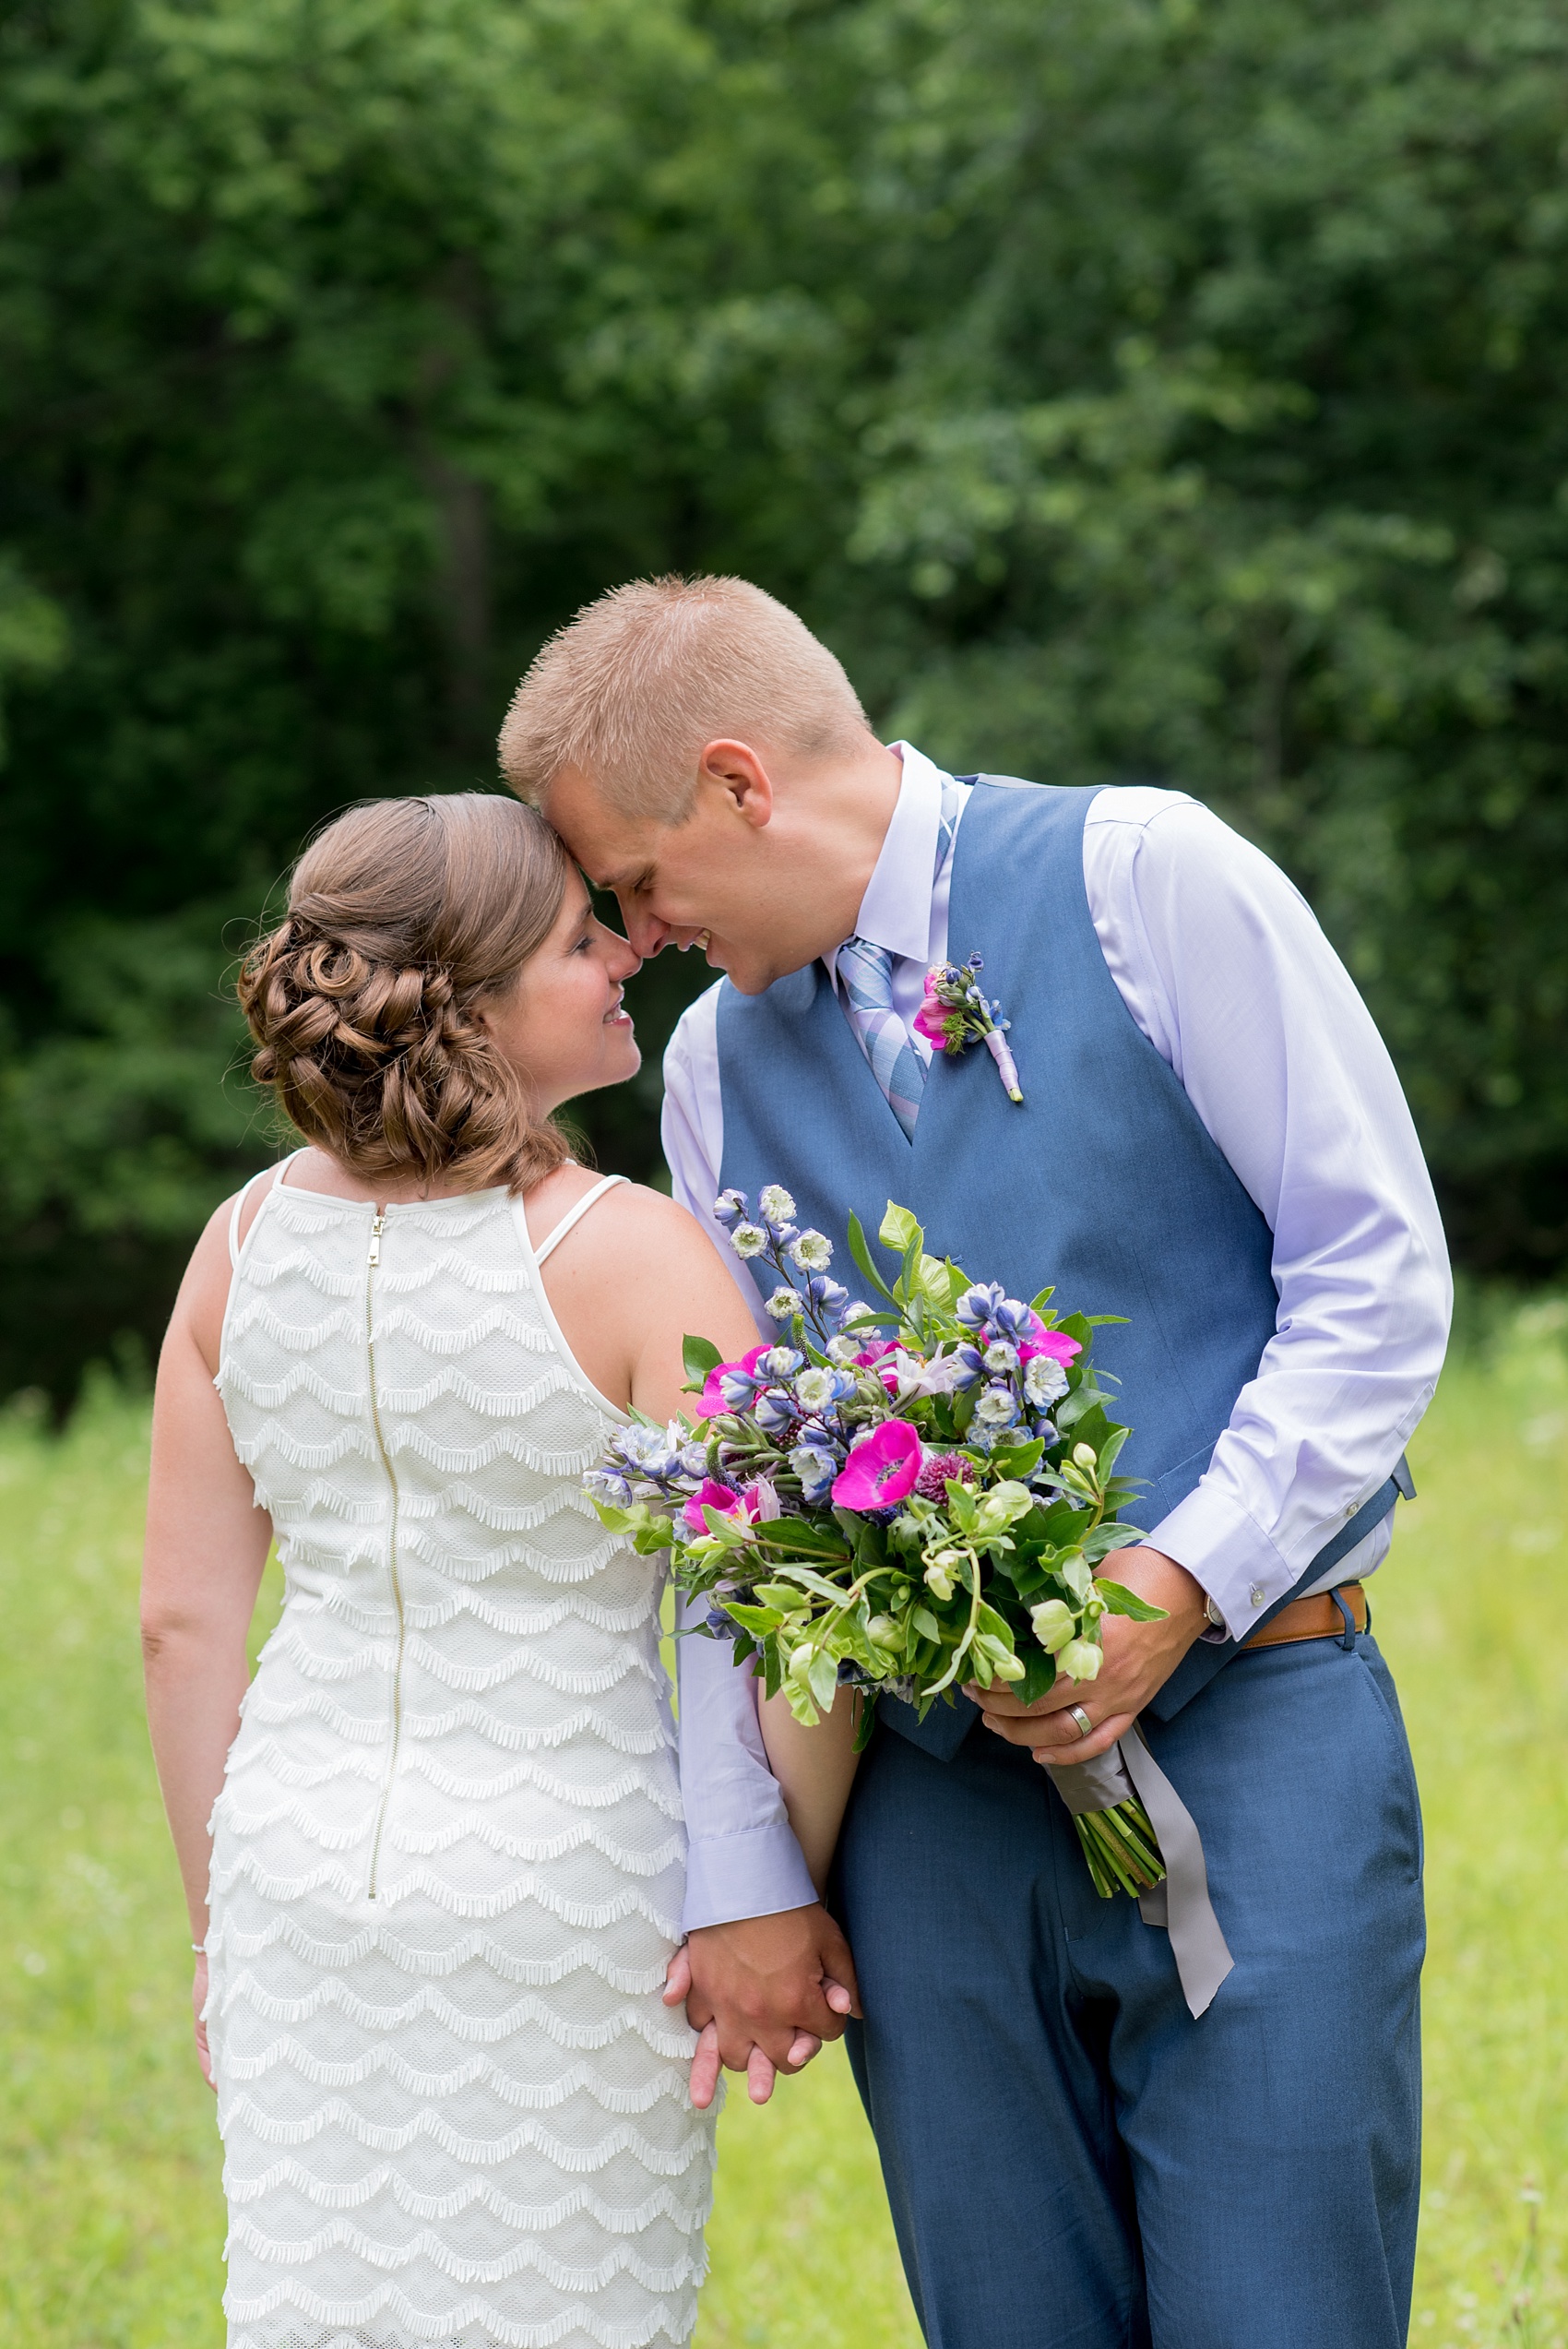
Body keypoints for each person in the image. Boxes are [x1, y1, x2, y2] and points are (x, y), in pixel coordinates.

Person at [499, 575, 1453, 2349]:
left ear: (737, 782)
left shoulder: (1148, 878)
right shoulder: (713, 1066)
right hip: (930, 1821)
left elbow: (1376, 1278)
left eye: (634, 881)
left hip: (1259, 1736)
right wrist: (750, 1872)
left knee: (1284, 2313)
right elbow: (742, 1505)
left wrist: (1177, 1579)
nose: (634, 935)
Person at [139, 791, 855, 2349]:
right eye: (572, 940)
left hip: (295, 1880)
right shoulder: (640, 1254)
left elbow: (181, 1628)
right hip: (570, 1896)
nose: (620, 956)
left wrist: (221, 1927)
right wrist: (770, 1885)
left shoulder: (239, 1247)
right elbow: (780, 1612)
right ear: (462, 1004)